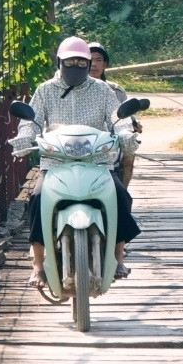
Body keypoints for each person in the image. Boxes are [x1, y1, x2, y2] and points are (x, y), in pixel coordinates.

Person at [18, 37, 143, 289]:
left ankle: (118, 257)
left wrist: (127, 135)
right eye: (70, 61)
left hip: (97, 162)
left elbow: (117, 119)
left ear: (88, 64)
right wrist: (23, 139)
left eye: (81, 61)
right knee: (37, 198)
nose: (75, 65)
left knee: (121, 196)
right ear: (60, 62)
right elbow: (31, 121)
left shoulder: (102, 90)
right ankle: (38, 265)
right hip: (55, 162)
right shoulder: (45, 90)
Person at [87, 41, 139, 185]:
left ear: (105, 65)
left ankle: (122, 194)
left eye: (98, 60)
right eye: (89, 60)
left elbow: (127, 114)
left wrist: (134, 123)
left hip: (109, 140)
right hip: (81, 140)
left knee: (129, 156)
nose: (94, 65)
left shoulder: (115, 90)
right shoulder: (71, 89)